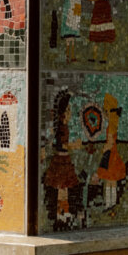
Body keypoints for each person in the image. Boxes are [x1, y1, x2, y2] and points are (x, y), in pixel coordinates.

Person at [43, 91, 81, 229]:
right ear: (63, 113)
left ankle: (64, 214)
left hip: (65, 160)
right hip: (60, 160)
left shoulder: (65, 127)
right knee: (62, 190)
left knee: (64, 190)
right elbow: (60, 145)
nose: (70, 114)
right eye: (68, 110)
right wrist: (73, 146)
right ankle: (61, 215)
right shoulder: (61, 128)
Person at [91, 93, 127, 209]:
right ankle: (111, 202)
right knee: (112, 180)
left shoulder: (111, 127)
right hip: (113, 154)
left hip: (110, 155)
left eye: (105, 112)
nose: (105, 115)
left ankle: (109, 202)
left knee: (108, 180)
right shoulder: (113, 125)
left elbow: (110, 142)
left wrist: (104, 149)